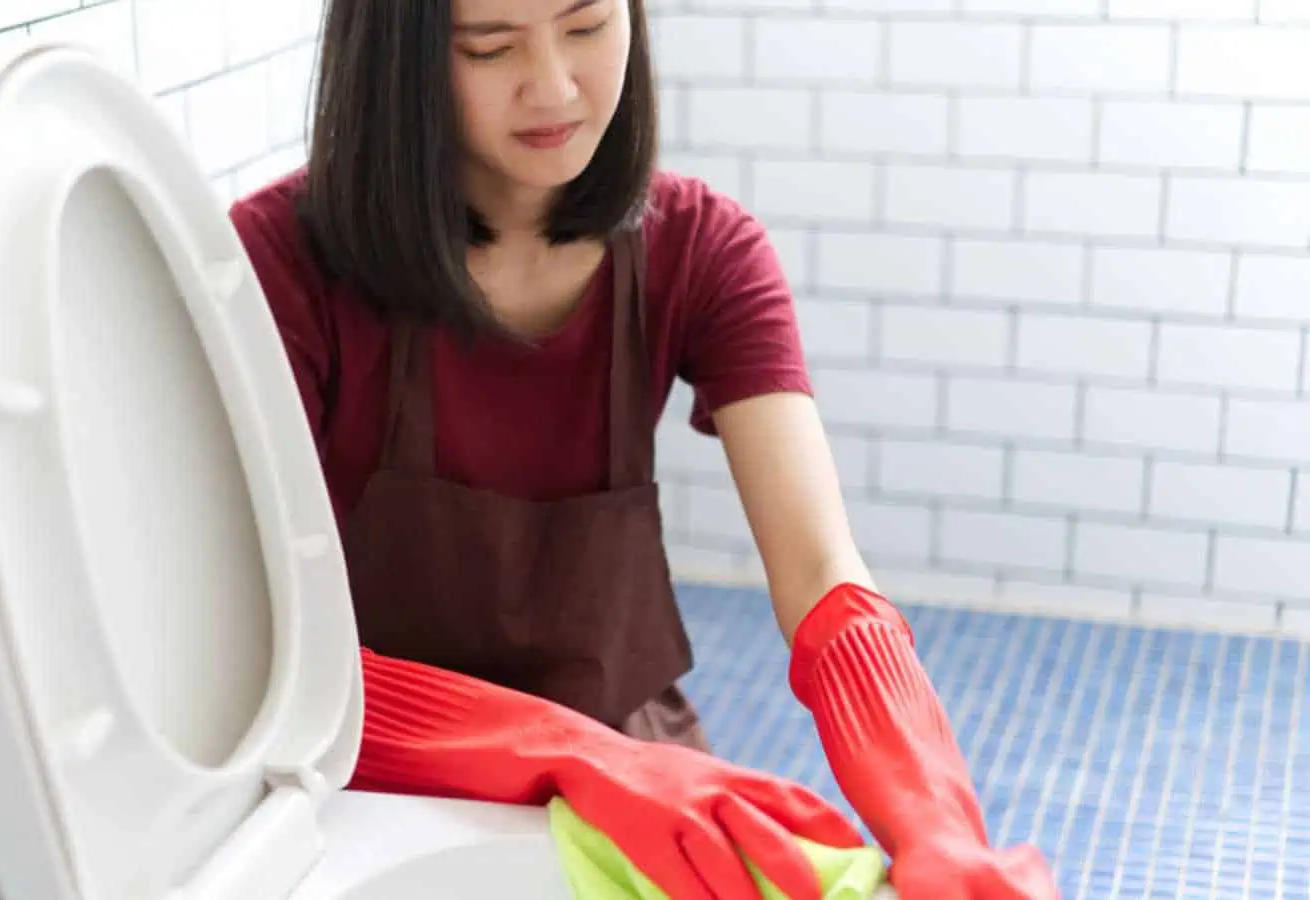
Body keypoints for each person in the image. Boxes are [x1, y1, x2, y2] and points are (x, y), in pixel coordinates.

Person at [229, 1, 1059, 898]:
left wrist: (933, 818)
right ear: (399, 57)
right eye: (491, 46)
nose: (554, 85)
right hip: (374, 778)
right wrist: (564, 750)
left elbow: (823, 574)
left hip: (635, 757)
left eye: (586, 26)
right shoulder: (279, 261)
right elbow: (259, 658)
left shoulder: (705, 249)